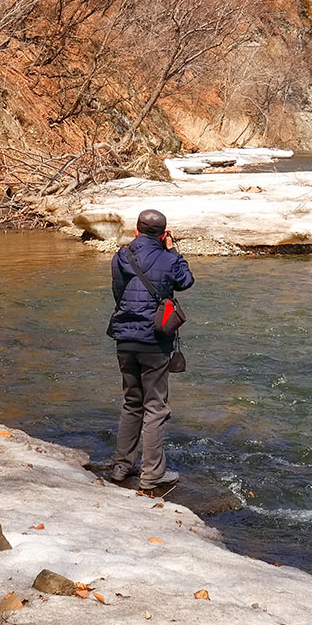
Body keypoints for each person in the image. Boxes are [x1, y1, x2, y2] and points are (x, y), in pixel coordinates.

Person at [106, 208, 194, 489]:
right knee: (155, 408)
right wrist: (174, 252)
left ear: (136, 230)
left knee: (132, 402)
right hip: (155, 340)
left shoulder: (122, 255)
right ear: (164, 233)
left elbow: (118, 293)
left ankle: (121, 466)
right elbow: (186, 282)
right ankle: (152, 475)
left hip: (124, 336)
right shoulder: (169, 258)